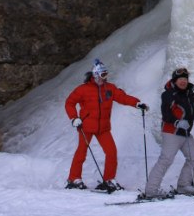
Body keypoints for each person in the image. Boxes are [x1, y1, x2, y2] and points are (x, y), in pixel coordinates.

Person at [64, 58, 149, 192]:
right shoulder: (83, 89)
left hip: (103, 128)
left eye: (106, 74)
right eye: (103, 75)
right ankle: (74, 178)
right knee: (81, 152)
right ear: (95, 75)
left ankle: (109, 179)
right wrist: (74, 118)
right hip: (86, 127)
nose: (105, 77)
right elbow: (69, 103)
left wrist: (137, 103)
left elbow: (122, 97)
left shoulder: (109, 88)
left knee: (111, 152)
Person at [141, 67, 194, 199]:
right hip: (171, 132)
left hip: (185, 133)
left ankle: (183, 185)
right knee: (166, 159)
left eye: (185, 79)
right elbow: (166, 113)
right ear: (175, 81)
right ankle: (151, 190)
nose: (183, 81)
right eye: (180, 79)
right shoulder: (168, 94)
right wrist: (177, 122)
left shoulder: (190, 95)